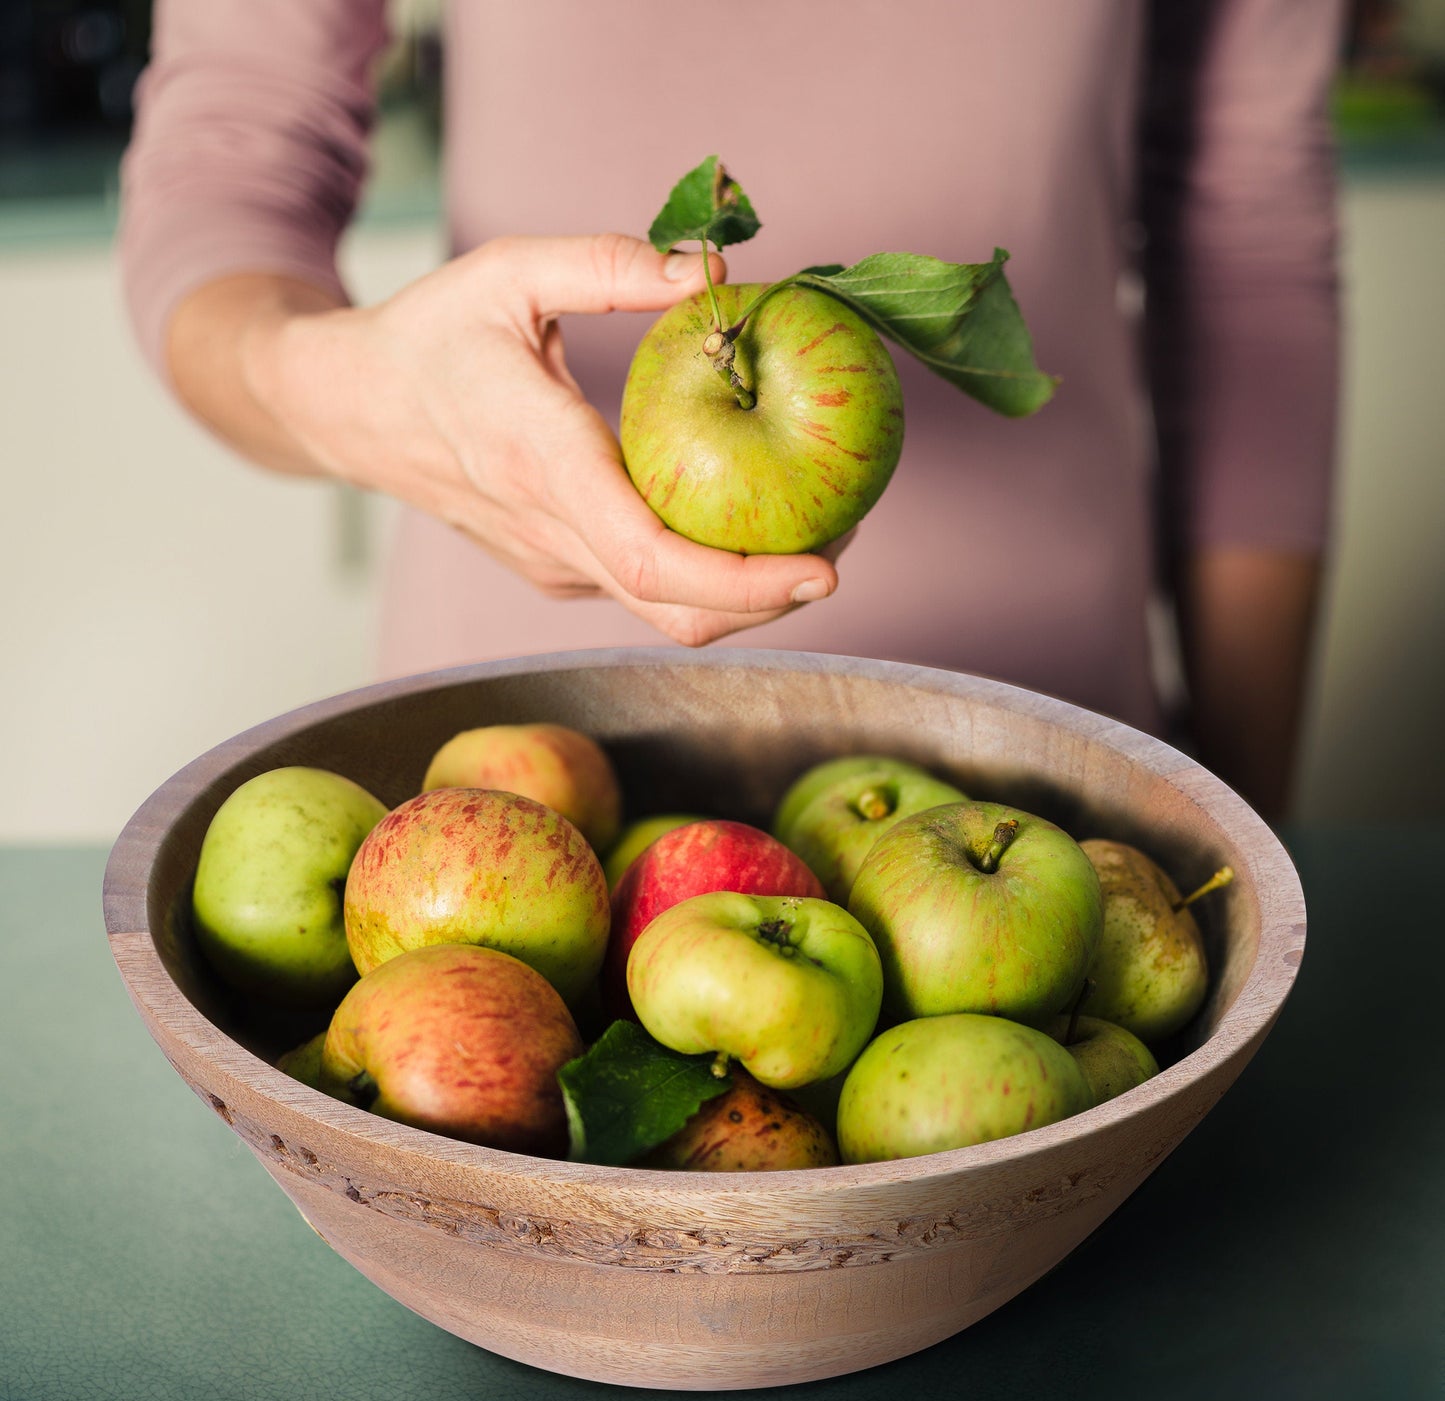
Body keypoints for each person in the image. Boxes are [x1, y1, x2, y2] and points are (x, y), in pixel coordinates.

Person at [118, 1, 1344, 822]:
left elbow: (1244, 230)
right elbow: (228, 162)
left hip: (1053, 763)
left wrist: (1245, 815)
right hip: (534, 779)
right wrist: (352, 389)